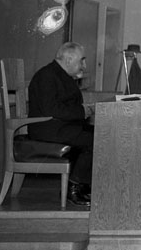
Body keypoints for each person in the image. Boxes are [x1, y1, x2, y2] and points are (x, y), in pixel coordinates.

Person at [27, 42, 94, 206]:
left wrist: (84, 110)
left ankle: (83, 185)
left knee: (100, 132)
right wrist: (82, 111)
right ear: (69, 59)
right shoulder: (46, 76)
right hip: (47, 128)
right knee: (93, 140)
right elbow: (51, 109)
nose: (84, 65)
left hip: (59, 126)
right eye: (81, 60)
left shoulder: (60, 75)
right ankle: (74, 188)